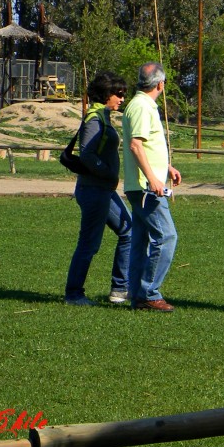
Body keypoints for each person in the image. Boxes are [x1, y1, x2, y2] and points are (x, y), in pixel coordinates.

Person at [64, 71, 131, 306]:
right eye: (118, 94)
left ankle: (120, 290)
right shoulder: (94, 118)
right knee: (89, 244)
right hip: (93, 190)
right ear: (106, 94)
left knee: (128, 231)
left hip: (104, 190)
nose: (122, 99)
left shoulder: (103, 115)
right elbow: (88, 154)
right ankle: (73, 294)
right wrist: (109, 172)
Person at [122, 62, 182, 312]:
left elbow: (147, 145)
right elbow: (136, 145)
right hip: (147, 189)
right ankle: (149, 292)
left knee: (141, 239)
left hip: (145, 184)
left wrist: (165, 168)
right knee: (166, 236)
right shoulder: (141, 107)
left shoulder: (143, 106)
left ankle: (137, 293)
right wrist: (153, 179)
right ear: (160, 84)